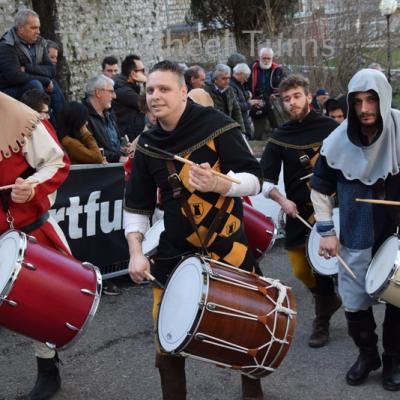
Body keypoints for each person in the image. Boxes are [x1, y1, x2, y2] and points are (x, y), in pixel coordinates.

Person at [124, 60, 264, 400]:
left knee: (247, 335)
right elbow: (136, 207)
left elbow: (255, 180)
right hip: (174, 255)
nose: (155, 96)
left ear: (184, 92)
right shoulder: (147, 145)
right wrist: (137, 253)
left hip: (229, 248)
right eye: (151, 89)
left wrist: (222, 183)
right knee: (166, 343)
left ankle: (253, 394)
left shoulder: (218, 127)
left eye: (164, 89)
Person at [310, 68, 400, 391]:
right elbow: (320, 189)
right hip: (354, 232)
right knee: (354, 301)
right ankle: (368, 355)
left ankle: (393, 358)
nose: (364, 109)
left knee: (399, 299)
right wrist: (327, 232)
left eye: (371, 100)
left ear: (384, 99)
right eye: (358, 101)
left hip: (396, 235)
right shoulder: (336, 142)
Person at [260, 74, 341, 348]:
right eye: (286, 99)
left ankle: (323, 323)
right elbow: (266, 181)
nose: (292, 103)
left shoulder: (332, 127)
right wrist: (282, 201)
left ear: (308, 97)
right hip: (297, 212)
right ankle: (328, 299)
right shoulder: (280, 136)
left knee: (328, 268)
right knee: (299, 266)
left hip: (332, 209)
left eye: (296, 96)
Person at [0, 92, 70, 399]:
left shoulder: (19, 117)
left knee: (39, 310)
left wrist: (31, 188)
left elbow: (57, 162)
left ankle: (48, 371)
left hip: (24, 232)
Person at [0, 9, 64, 120]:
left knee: (54, 86)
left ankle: (60, 129)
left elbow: (51, 70)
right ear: (20, 29)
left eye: (38, 27)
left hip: (29, 82)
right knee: (35, 85)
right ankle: (39, 125)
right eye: (34, 28)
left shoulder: (39, 42)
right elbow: (14, 76)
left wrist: (28, 68)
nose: (38, 31)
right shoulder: (7, 45)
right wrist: (44, 80)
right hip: (8, 93)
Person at [82, 74, 128, 163]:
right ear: (98, 93)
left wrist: (124, 149)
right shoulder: (83, 116)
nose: (114, 96)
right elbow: (90, 149)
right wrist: (117, 157)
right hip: (101, 172)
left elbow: (114, 144)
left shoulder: (109, 113)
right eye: (111, 91)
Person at [248, 47, 286, 140]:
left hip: (273, 100)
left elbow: (284, 85)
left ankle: (280, 138)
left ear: (272, 58)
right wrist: (249, 96)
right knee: (258, 132)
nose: (266, 60)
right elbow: (245, 84)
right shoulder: (251, 68)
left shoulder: (278, 70)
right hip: (255, 100)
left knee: (279, 126)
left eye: (268, 58)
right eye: (264, 58)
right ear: (259, 57)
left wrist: (276, 95)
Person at [113, 55, 146, 141]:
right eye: (142, 70)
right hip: (128, 140)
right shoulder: (124, 92)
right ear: (133, 73)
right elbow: (148, 104)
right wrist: (146, 82)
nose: (144, 73)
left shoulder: (128, 88)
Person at [204, 63, 245, 133]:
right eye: (224, 78)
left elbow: (236, 110)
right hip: (213, 129)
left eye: (228, 78)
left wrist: (241, 130)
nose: (227, 81)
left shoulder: (229, 90)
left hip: (227, 126)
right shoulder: (207, 90)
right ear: (215, 79)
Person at [230, 62, 256, 139]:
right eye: (246, 77)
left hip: (243, 122)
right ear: (240, 74)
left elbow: (240, 96)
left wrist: (247, 94)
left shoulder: (238, 84)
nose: (246, 80)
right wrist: (250, 104)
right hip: (239, 123)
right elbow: (236, 106)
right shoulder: (231, 86)